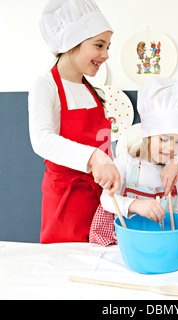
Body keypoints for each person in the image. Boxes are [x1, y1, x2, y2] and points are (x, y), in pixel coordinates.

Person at [28, 0, 121, 244]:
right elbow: (41, 140)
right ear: (71, 43)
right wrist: (93, 158)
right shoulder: (45, 86)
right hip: (64, 202)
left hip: (100, 200)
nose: (106, 54)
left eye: (108, 46)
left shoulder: (94, 91)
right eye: (99, 45)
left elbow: (104, 145)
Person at [89, 76, 178, 245]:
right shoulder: (126, 162)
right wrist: (136, 205)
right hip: (127, 242)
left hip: (160, 243)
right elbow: (106, 200)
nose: (171, 148)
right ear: (146, 136)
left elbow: (174, 210)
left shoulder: (170, 170)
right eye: (163, 139)